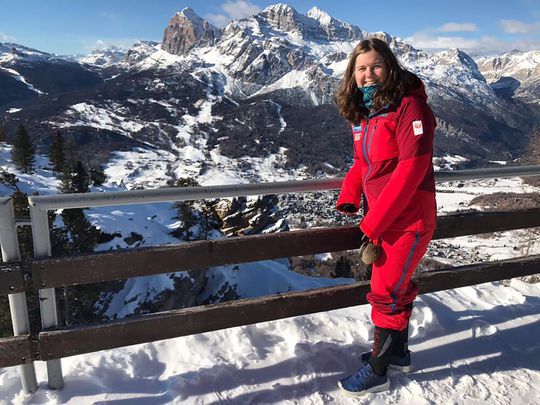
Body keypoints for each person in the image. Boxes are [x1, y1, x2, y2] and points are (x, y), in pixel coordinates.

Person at [334, 38, 437, 395]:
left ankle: (378, 370)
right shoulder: (369, 112)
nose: (368, 74)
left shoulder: (410, 107)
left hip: (408, 220)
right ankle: (399, 354)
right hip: (383, 218)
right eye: (361, 69)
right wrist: (350, 196)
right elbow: (364, 162)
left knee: (384, 293)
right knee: (396, 289)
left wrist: (373, 223)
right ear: (353, 74)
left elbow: (412, 169)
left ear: (389, 67)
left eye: (375, 66)